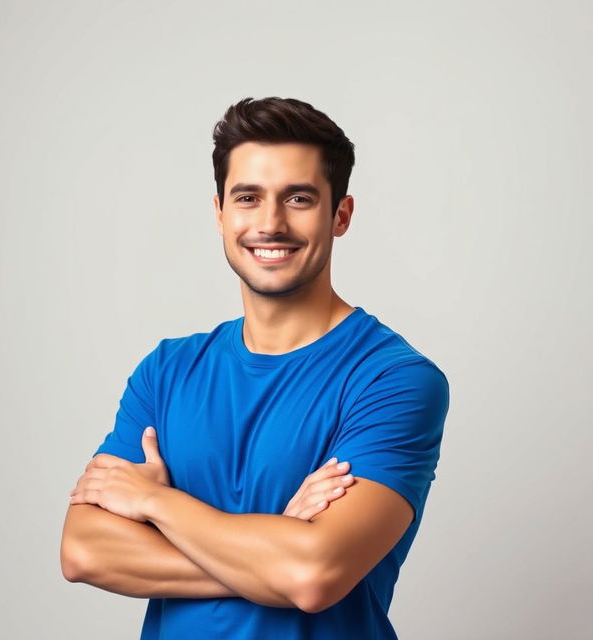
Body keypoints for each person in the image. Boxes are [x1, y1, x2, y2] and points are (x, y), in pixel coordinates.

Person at [60, 96, 450, 639]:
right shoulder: (167, 370)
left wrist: (154, 501)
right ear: (220, 212)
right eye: (248, 197)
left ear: (340, 215)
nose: (270, 223)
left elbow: (313, 574)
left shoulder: (394, 380)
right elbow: (84, 551)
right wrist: (277, 548)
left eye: (298, 198)